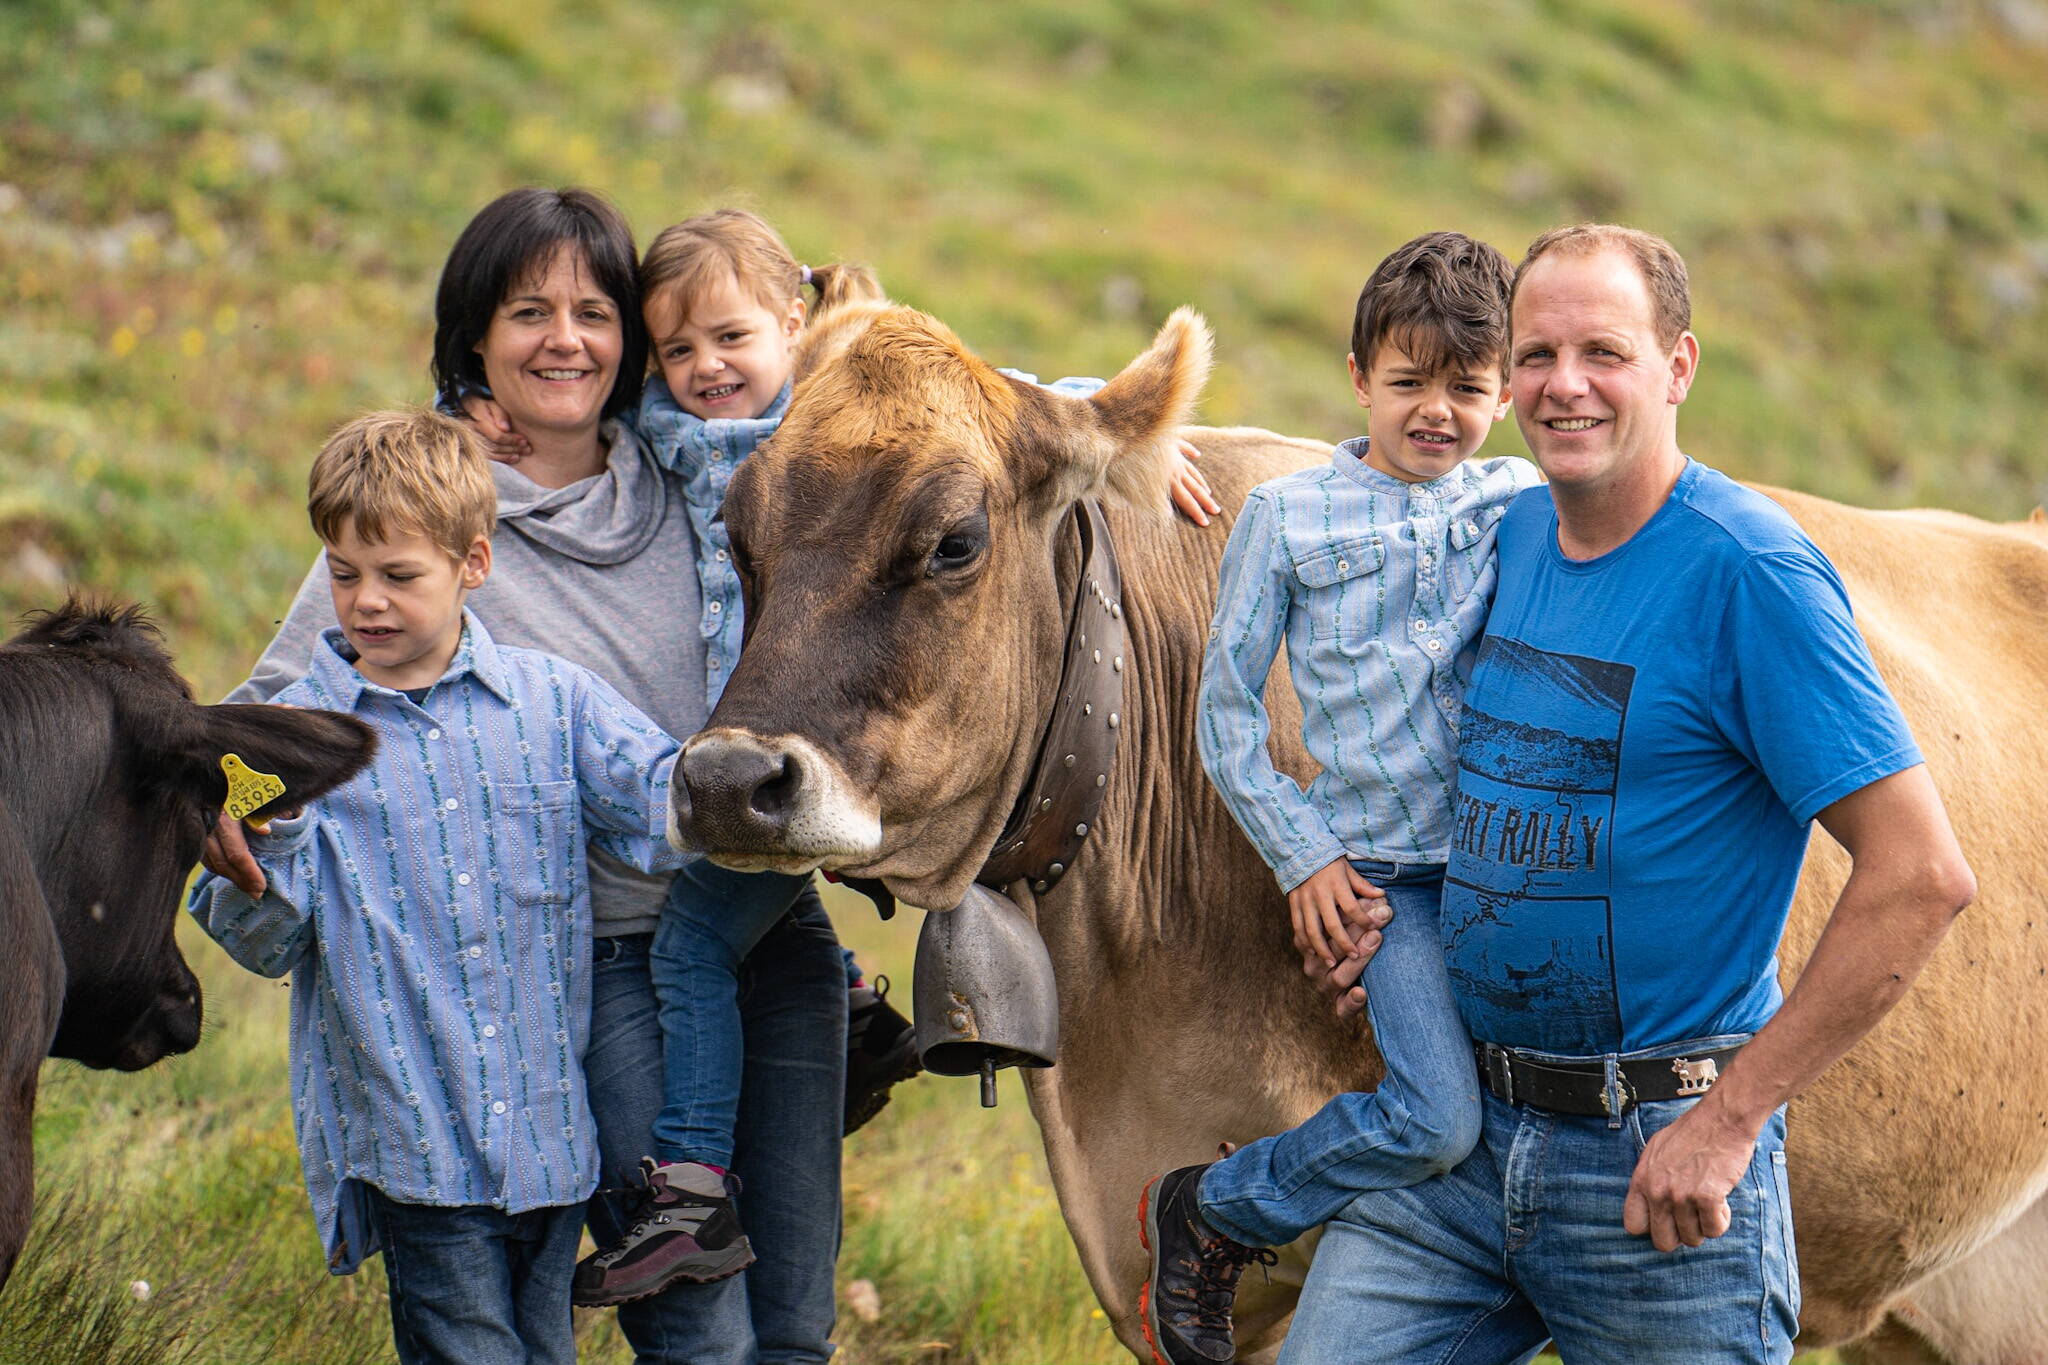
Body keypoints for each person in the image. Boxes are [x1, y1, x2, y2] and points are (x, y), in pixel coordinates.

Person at [460, 206, 1224, 1306]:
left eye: (730, 341)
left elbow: (949, 396)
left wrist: (1088, 409)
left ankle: (833, 1035)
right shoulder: (633, 449)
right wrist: (463, 423)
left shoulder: (819, 415)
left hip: (757, 841)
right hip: (593, 930)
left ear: (788, 329)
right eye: (675, 351)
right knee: (686, 1316)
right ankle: (744, 1135)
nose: (704, 370)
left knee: (794, 1301)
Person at [1278, 224, 1976, 1365]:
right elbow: (1340, 495)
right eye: (1535, 355)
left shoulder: (1745, 572)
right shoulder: (1500, 532)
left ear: (1677, 367)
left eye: (1601, 352)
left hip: (1653, 1173)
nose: (1563, 386)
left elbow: (1920, 877)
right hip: (1457, 1145)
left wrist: (1728, 1122)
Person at [203, 186, 846, 1365]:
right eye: (526, 312)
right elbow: (267, 728)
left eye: (594, 312)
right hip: (597, 963)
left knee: (796, 1314)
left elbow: (892, 418)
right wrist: (238, 822)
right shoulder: (418, 528)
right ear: (475, 338)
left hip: (766, 923)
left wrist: (1118, 445)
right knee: (696, 1320)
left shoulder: (696, 469)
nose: (564, 339)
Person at [192, 409, 689, 1365]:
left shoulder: (554, 701)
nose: (365, 601)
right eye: (343, 574)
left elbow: (667, 807)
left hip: (549, 1142)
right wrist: (280, 835)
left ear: (472, 564)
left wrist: (761, 789)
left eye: (398, 575)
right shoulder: (287, 742)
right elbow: (260, 943)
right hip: (411, 1142)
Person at [1136, 230, 1538, 1365]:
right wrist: (1304, 859)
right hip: (1380, 882)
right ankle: (1216, 1209)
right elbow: (1222, 717)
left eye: (1466, 388)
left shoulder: (1515, 502)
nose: (1435, 412)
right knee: (1435, 1116)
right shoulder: (1290, 517)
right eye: (1406, 383)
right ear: (1358, 378)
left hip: (1509, 875)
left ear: (1503, 394)